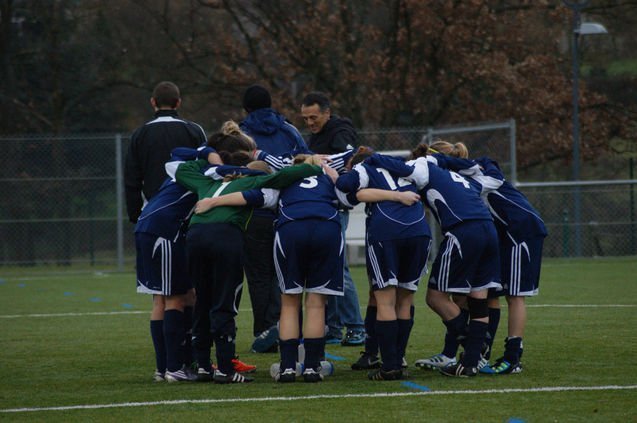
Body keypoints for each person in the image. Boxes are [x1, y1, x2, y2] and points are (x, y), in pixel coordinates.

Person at [169, 139, 323, 384]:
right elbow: (300, 171)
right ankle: (226, 369)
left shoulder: (207, 181)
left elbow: (176, 167)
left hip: (196, 236)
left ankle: (203, 366)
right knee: (224, 301)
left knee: (202, 299)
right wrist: (316, 163)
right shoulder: (254, 178)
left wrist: (207, 157)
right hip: (225, 236)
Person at [366, 145, 502, 377]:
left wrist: (372, 158)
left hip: (462, 231)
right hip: (489, 230)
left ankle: (473, 345)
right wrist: (477, 163)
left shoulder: (424, 164)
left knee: (435, 297)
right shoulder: (463, 177)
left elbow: (398, 168)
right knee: (478, 297)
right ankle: (469, 364)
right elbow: (496, 179)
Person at [428, 140, 548, 375]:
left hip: (518, 232)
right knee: (489, 293)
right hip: (496, 236)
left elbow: (490, 172)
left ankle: (513, 357)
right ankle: (477, 352)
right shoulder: (462, 176)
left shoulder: (476, 172)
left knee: (514, 296)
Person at [124, 81, 207, 382]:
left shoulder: (140, 134)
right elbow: (205, 169)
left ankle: (165, 367)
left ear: (153, 102)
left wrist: (137, 214)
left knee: (160, 297)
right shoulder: (194, 130)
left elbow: (131, 180)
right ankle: (176, 365)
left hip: (151, 219)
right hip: (175, 223)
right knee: (181, 295)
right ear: (179, 101)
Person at [334, 147, 432, 380]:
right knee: (405, 298)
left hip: (387, 231)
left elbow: (347, 186)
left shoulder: (363, 168)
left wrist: (337, 176)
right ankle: (396, 358)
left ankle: (389, 365)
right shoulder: (408, 169)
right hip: (419, 230)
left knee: (385, 299)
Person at [135, 146, 219, 382]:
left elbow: (181, 151)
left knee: (170, 297)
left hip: (148, 229)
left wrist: (208, 152)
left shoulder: (176, 171)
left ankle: (165, 368)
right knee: (174, 297)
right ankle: (174, 367)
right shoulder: (203, 172)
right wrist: (214, 156)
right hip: (164, 233)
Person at [239, 84, 310, 353]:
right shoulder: (288, 129)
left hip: (253, 211)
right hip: (288, 211)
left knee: (258, 275)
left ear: (245, 107)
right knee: (288, 275)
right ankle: (291, 329)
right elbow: (305, 162)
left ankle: (265, 332)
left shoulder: (241, 133)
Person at [301, 91, 365, 346]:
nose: (309, 123)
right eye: (305, 119)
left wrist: (313, 161)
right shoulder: (315, 136)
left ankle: (357, 326)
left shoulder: (341, 130)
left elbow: (347, 159)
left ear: (327, 113)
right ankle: (334, 327)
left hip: (335, 208)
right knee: (327, 267)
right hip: (322, 208)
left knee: (338, 267)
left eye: (313, 117)